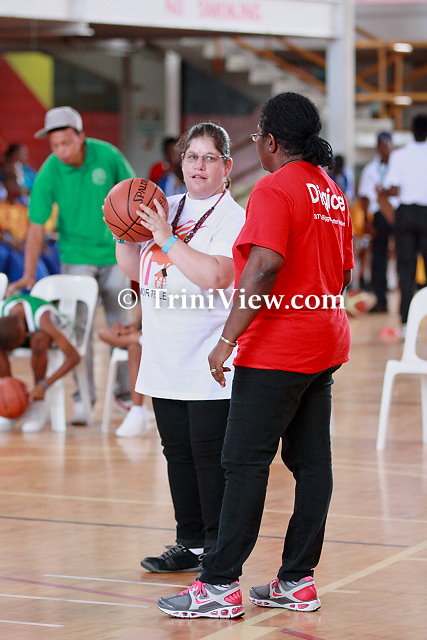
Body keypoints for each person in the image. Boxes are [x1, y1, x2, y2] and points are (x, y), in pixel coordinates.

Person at [157, 93, 353, 619]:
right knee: (311, 465)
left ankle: (219, 585)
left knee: (242, 464)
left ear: (269, 140)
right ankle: (297, 580)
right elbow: (343, 274)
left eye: (256, 139)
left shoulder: (274, 187)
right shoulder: (331, 189)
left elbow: (263, 266)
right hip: (325, 341)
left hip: (278, 349)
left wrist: (227, 339)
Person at [115, 122, 245, 573]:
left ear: (227, 166)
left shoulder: (233, 217)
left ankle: (216, 549)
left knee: (210, 458)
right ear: (181, 161)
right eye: (192, 156)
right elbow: (135, 267)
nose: (199, 166)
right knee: (177, 454)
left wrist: (167, 238)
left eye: (210, 158)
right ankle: (188, 543)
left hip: (207, 357)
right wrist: (122, 231)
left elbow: (218, 276)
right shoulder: (163, 206)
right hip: (164, 354)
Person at [7, 106, 136, 424]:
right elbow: (36, 226)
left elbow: (134, 195)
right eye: (55, 145)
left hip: (117, 254)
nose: (61, 151)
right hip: (76, 257)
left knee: (121, 326)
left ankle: (123, 396)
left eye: (66, 143)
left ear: (81, 137)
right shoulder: (50, 170)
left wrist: (138, 246)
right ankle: (83, 400)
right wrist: (28, 273)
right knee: (79, 331)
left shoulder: (108, 156)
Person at [0, 293, 80, 432]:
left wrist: (44, 384)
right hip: (25, 330)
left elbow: (74, 357)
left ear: (23, 331)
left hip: (58, 332)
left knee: (39, 339)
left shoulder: (43, 318)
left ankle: (38, 403)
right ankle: (9, 396)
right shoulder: (3, 311)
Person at [381, 114, 427, 333]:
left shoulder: (399, 155)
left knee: (406, 269)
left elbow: (393, 188)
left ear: (411, 130)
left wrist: (384, 192)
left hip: (406, 214)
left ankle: (406, 323)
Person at [98, 304, 155, 437]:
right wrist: (129, 327)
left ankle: (137, 410)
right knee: (103, 333)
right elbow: (139, 319)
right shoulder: (145, 295)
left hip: (159, 335)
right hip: (142, 333)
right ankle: (140, 339)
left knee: (134, 348)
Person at [358, 131, 397, 313]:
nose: (384, 149)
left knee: (405, 257)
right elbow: (365, 198)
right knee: (378, 259)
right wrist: (367, 222)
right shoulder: (370, 170)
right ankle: (381, 301)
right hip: (379, 217)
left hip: (398, 215)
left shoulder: (398, 166)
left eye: (387, 145)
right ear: (377, 147)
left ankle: (407, 302)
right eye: (381, 145)